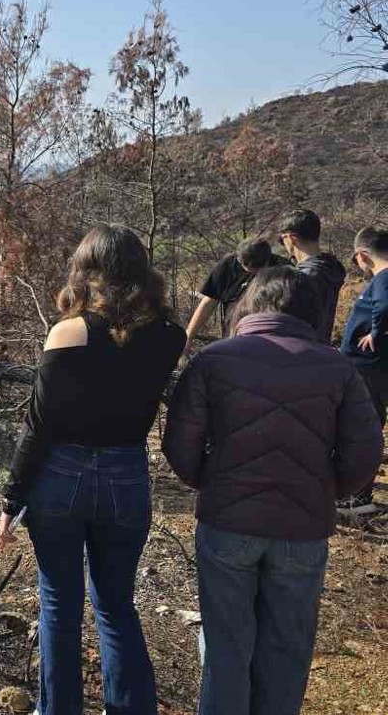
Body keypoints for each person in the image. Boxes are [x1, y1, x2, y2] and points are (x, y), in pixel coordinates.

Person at [163, 266, 382, 715]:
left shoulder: (215, 359)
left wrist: (212, 480)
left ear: (250, 304)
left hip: (227, 522)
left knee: (225, 645)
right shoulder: (336, 366)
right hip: (302, 527)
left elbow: (179, 444)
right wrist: (324, 489)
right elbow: (365, 454)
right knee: (288, 647)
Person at [0, 224, 185, 715]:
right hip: (127, 474)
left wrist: (11, 499)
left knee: (60, 602)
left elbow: (39, 425)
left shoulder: (69, 331)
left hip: (61, 474)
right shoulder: (169, 336)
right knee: (117, 604)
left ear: (87, 272)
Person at [337, 226, 388, 515]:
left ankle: (355, 500)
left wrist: (376, 334)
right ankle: (355, 496)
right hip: (374, 369)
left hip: (366, 369)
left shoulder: (384, 278)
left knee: (360, 428)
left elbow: (384, 306)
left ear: (362, 256)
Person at [182, 236, 286, 358]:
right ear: (239, 259)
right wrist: (189, 335)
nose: (252, 274)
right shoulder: (228, 265)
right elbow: (209, 301)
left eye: (256, 270)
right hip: (233, 336)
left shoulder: (283, 271)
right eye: (246, 268)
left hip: (270, 340)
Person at [278, 208, 346, 345]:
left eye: (282, 239)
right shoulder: (331, 267)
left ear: (292, 239)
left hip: (298, 348)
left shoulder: (303, 277)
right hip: (321, 344)